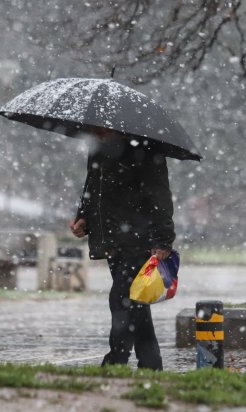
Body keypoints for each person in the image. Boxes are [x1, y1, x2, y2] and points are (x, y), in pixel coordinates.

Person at [70, 128, 175, 370]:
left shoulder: (146, 148)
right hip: (111, 238)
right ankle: (151, 365)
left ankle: (115, 361)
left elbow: (160, 196)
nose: (94, 131)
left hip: (138, 238)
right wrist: (83, 218)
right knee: (136, 303)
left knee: (121, 299)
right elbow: (92, 185)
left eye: (100, 128)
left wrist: (162, 239)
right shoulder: (97, 147)